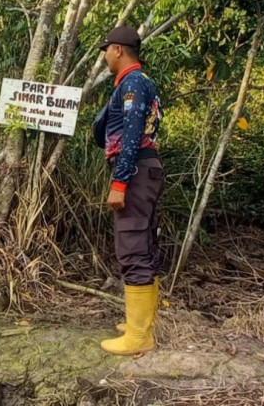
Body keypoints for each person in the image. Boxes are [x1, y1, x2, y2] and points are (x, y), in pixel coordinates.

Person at [96, 26, 165, 356]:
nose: (105, 55)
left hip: (135, 170)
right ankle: (142, 325)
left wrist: (119, 182)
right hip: (145, 168)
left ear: (118, 50)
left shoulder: (133, 83)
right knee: (145, 244)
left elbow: (133, 134)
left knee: (133, 247)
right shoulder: (137, 82)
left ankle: (139, 337)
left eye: (106, 49)